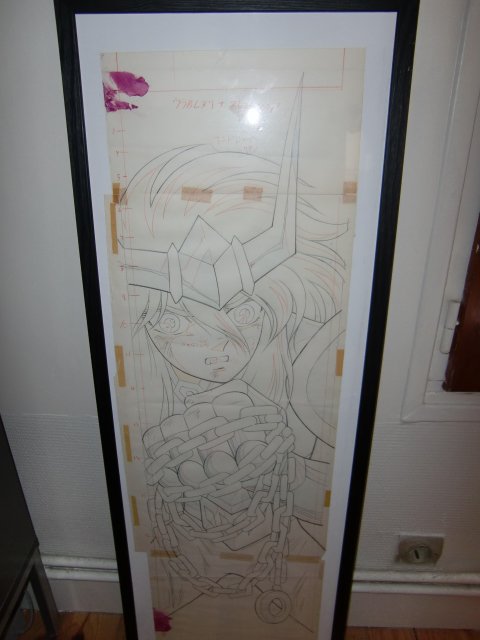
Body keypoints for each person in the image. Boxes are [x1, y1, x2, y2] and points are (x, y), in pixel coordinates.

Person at [115, 92, 348, 633]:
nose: (214, 349)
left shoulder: (303, 414)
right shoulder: (149, 418)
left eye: (244, 313)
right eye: (175, 323)